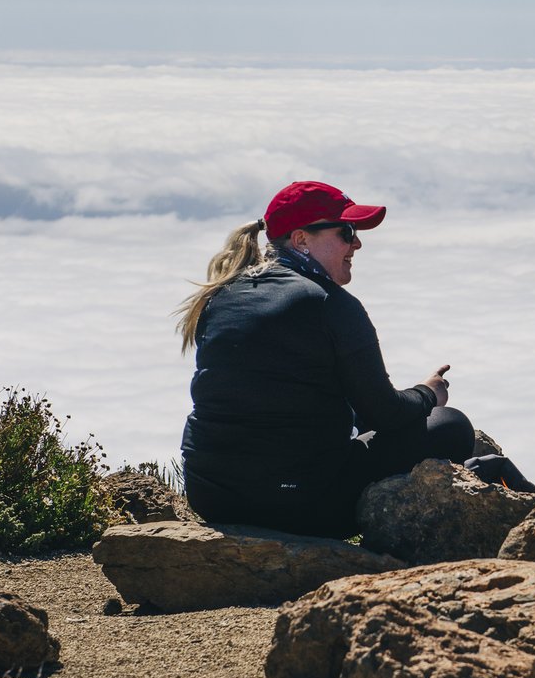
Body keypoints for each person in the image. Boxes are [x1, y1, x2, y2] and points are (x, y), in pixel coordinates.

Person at [176, 180, 474, 537]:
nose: (357, 243)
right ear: (301, 239)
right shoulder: (330, 304)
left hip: (212, 497)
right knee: (449, 424)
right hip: (303, 506)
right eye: (347, 232)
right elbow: (386, 413)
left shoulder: (222, 295)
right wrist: (429, 393)